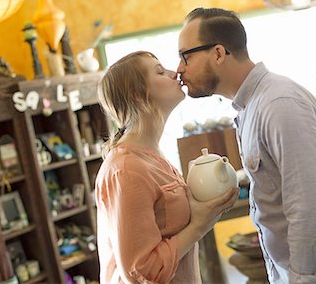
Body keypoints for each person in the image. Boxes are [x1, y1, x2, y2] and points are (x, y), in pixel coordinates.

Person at [177, 8, 316, 284]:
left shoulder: (279, 104)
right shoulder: (250, 107)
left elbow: (310, 208)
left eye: (185, 55)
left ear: (219, 53)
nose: (179, 69)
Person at [95, 51, 239, 284]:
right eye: (160, 71)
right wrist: (200, 224)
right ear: (138, 94)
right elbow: (140, 271)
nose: (175, 73)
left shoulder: (151, 155)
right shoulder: (126, 168)